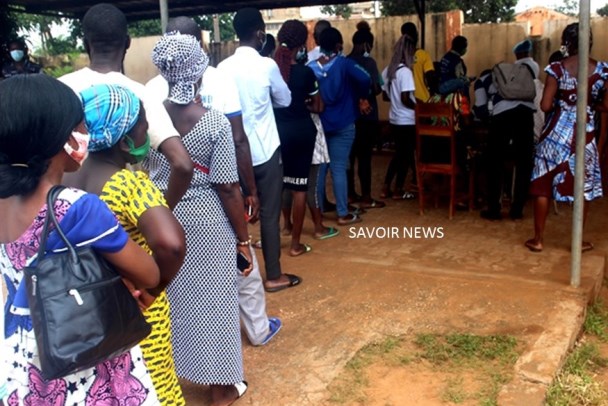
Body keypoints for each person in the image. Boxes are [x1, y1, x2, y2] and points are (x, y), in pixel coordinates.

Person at [0, 74, 161, 405]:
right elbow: (149, 274)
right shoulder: (76, 208)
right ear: (59, 138)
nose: (86, 134)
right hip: (82, 356)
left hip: (22, 357)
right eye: (81, 126)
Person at [145, 16, 278, 346]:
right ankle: (256, 331)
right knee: (235, 273)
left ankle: (184, 349)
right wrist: (246, 221)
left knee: (180, 283)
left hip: (163, 209)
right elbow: (231, 166)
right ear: (199, 55)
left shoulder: (148, 101)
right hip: (210, 208)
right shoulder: (217, 96)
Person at [63, 84, 187, 405]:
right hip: (136, 312)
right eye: (144, 126)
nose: (147, 133)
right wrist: (152, 290)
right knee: (154, 386)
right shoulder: (128, 185)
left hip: (86, 311)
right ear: (124, 139)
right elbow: (171, 245)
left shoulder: (63, 179)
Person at [152, 32, 251, 406]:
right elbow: (228, 187)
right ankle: (221, 389)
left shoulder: (150, 118)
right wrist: (243, 240)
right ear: (198, 72)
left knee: (176, 301)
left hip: (162, 220)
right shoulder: (215, 123)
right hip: (208, 225)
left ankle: (177, 374)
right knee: (217, 303)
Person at [59, 3, 193, 211]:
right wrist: (161, 211)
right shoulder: (138, 95)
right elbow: (182, 164)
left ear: (85, 44)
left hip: (61, 213)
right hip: (117, 213)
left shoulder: (59, 90)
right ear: (128, 42)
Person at [218, 8, 302, 293]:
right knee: (269, 213)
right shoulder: (267, 66)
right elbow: (285, 99)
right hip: (265, 150)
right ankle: (274, 275)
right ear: (259, 33)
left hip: (232, 154)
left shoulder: (222, 69)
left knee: (232, 211)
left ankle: (235, 274)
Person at [525, 23, 607, 253]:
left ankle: (538, 239)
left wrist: (562, 103)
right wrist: (590, 105)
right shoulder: (602, 70)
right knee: (583, 188)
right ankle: (577, 241)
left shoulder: (556, 69)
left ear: (567, 43)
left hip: (555, 134)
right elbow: (607, 105)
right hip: (585, 134)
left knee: (543, 185)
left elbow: (545, 105)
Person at [307, 27, 371, 225]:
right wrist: (361, 96)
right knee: (339, 168)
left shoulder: (311, 67)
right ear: (338, 45)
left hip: (320, 124)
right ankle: (342, 213)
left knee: (320, 169)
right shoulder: (344, 64)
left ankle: (319, 210)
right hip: (343, 122)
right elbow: (366, 78)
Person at [273, 19, 323, 256]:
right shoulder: (306, 72)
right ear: (302, 44)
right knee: (299, 188)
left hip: (277, 134)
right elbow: (318, 106)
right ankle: (295, 245)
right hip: (303, 133)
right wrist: (304, 103)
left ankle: (283, 229)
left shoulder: (272, 71)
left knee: (281, 185)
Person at [480, 39, 539, 221]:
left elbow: (483, 104)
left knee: (495, 160)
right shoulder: (530, 69)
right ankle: (517, 209)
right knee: (523, 162)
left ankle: (494, 208)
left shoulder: (488, 78)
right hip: (526, 113)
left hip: (502, 115)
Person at [347, 21, 385, 210]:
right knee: (365, 158)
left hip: (348, 117)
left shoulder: (345, 62)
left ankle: (350, 194)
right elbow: (377, 88)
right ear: (365, 45)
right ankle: (367, 197)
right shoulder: (369, 63)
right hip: (367, 118)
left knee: (349, 158)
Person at [380, 34, 417, 201]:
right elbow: (405, 98)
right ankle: (398, 189)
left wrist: (395, 99)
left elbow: (385, 96)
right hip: (407, 120)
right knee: (406, 156)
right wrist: (418, 107)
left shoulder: (388, 71)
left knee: (398, 155)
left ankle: (386, 187)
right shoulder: (406, 72)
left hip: (395, 119)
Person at [401, 22, 436, 102]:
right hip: (423, 100)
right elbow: (430, 78)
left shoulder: (399, 57)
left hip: (405, 101)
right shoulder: (423, 55)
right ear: (416, 35)